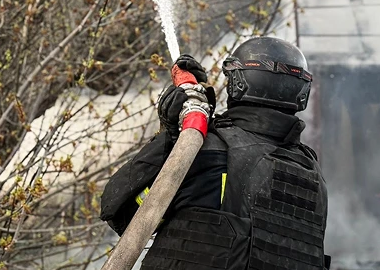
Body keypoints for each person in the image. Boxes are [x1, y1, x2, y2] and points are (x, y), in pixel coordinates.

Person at [100, 36, 330, 270]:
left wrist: (171, 136)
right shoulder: (312, 176)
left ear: (238, 83)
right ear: (301, 92)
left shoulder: (209, 152)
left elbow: (123, 214)